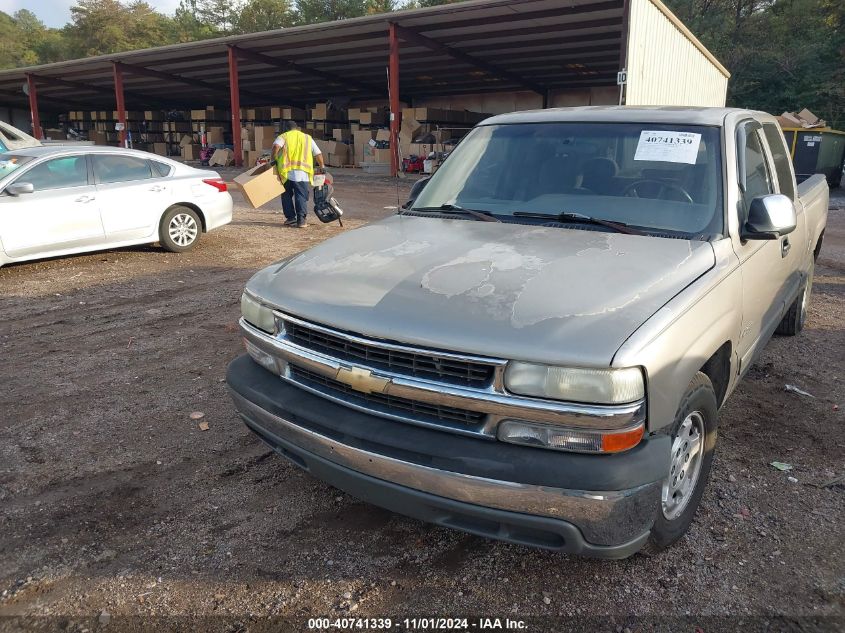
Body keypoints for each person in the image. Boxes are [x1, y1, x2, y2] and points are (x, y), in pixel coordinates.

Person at [271, 120, 325, 228]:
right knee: (301, 196)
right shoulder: (307, 138)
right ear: (297, 128)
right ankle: (301, 221)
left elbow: (276, 147)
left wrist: (273, 159)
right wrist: (322, 166)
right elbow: (318, 153)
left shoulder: (284, 136)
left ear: (286, 128)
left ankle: (290, 218)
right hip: (303, 173)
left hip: (286, 172)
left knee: (286, 195)